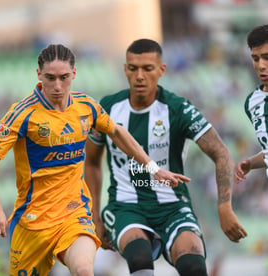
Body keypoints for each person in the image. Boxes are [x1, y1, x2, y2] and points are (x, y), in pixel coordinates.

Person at [0, 44, 190, 276]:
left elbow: (117, 132)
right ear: (39, 75)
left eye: (64, 77)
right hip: (33, 222)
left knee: (83, 270)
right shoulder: (22, 114)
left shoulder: (85, 106)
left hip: (74, 213)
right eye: (50, 78)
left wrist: (152, 168)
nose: (57, 86)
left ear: (74, 74)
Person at [85, 39, 247, 276]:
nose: (139, 75)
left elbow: (221, 153)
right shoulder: (107, 108)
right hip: (126, 205)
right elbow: (91, 162)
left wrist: (224, 207)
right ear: (125, 69)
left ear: (161, 70)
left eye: (147, 68)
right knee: (139, 257)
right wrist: (93, 216)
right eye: (133, 68)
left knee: (193, 265)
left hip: (173, 206)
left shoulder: (178, 108)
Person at [235, 24, 268, 182]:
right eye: (256, 58)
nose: (261, 65)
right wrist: (250, 163)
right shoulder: (252, 102)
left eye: (267, 57)